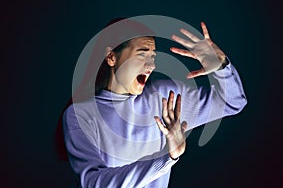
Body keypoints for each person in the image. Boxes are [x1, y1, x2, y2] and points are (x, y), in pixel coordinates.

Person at [60, 18, 247, 187]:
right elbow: (95, 183)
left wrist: (222, 66)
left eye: (153, 56)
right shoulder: (80, 114)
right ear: (111, 57)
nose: (151, 66)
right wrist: (168, 158)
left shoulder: (165, 98)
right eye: (142, 54)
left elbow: (232, 101)